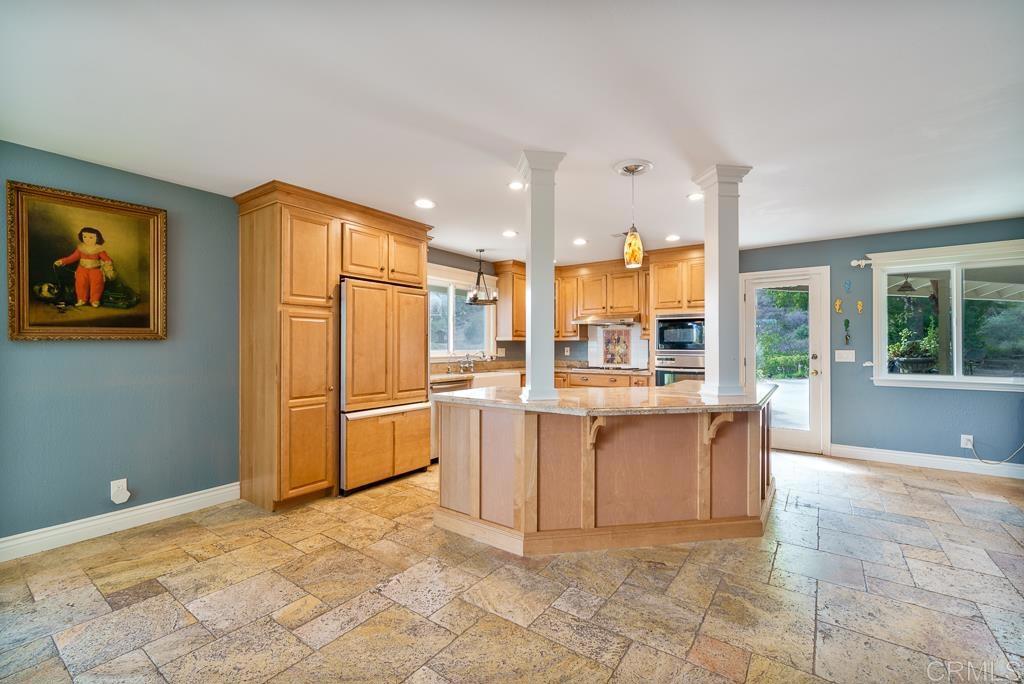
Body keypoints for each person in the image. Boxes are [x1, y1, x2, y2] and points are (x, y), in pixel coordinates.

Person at [54, 227, 116, 307]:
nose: (87, 239)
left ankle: (95, 300)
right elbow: (72, 258)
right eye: (84, 237)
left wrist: (108, 264)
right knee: (80, 284)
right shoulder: (81, 248)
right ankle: (81, 299)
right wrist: (62, 261)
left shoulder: (99, 249)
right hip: (82, 269)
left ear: (97, 238)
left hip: (95, 270)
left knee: (96, 285)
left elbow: (107, 259)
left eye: (91, 237)